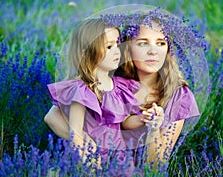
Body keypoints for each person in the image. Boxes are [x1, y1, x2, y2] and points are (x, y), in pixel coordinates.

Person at [44, 18, 159, 170]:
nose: (117, 51)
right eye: (109, 47)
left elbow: (124, 122)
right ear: (87, 52)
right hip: (90, 159)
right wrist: (88, 161)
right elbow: (75, 132)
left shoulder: (120, 87)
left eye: (117, 44)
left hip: (118, 158)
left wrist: (142, 119)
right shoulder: (82, 90)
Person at [115, 18, 200, 167]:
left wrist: (153, 129)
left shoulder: (179, 96)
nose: (153, 51)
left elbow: (155, 166)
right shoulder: (113, 86)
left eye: (161, 43)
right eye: (143, 43)